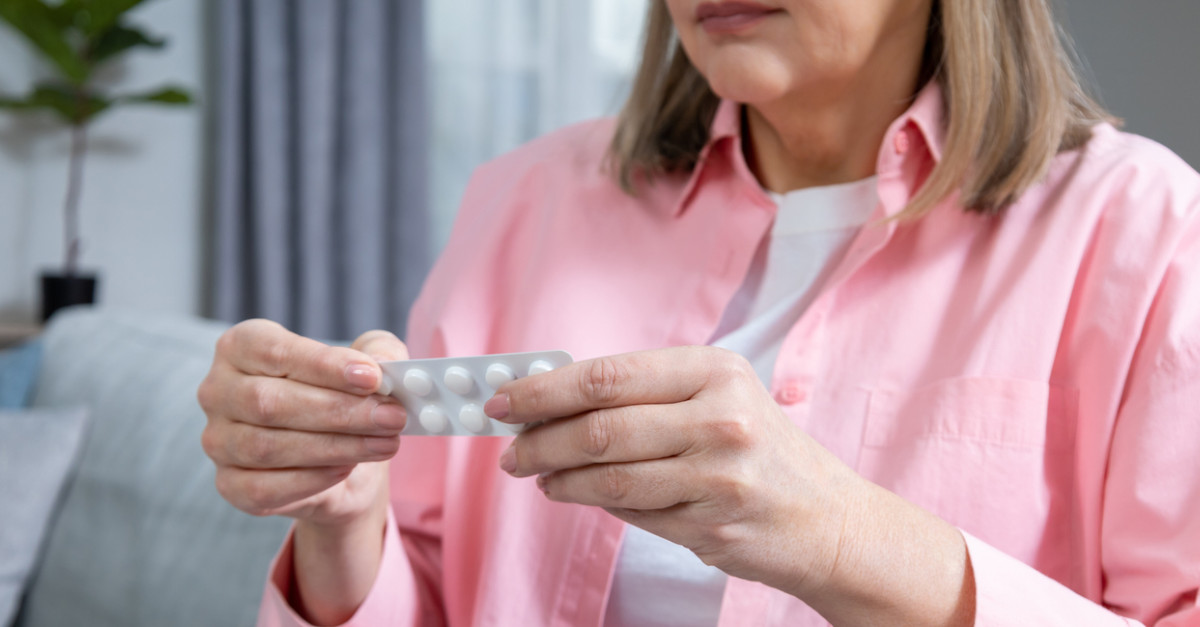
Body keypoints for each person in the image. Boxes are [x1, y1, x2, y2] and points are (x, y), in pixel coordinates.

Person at [198, 0, 1200, 625]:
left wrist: (840, 536)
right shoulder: (525, 201)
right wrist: (343, 520)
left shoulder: (1145, 233)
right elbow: (427, 590)